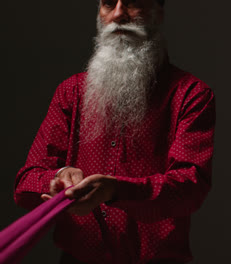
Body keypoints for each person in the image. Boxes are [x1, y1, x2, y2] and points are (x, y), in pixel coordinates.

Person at [14, 0, 215, 263]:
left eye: (134, 3)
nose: (119, 14)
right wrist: (60, 178)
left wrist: (115, 190)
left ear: (159, 12)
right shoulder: (71, 92)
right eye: (109, 3)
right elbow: (26, 182)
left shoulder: (191, 94)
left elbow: (190, 188)